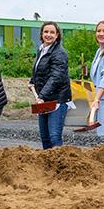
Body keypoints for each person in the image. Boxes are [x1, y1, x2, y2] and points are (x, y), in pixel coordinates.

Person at [30, 21, 72, 149]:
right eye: (46, 32)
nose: (49, 35)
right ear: (42, 34)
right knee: (45, 137)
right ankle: (47, 167)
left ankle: (60, 166)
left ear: (57, 35)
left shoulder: (59, 53)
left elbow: (56, 77)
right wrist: (33, 81)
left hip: (57, 100)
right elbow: (40, 70)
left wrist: (42, 95)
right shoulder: (42, 49)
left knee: (54, 136)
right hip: (45, 100)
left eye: (52, 32)